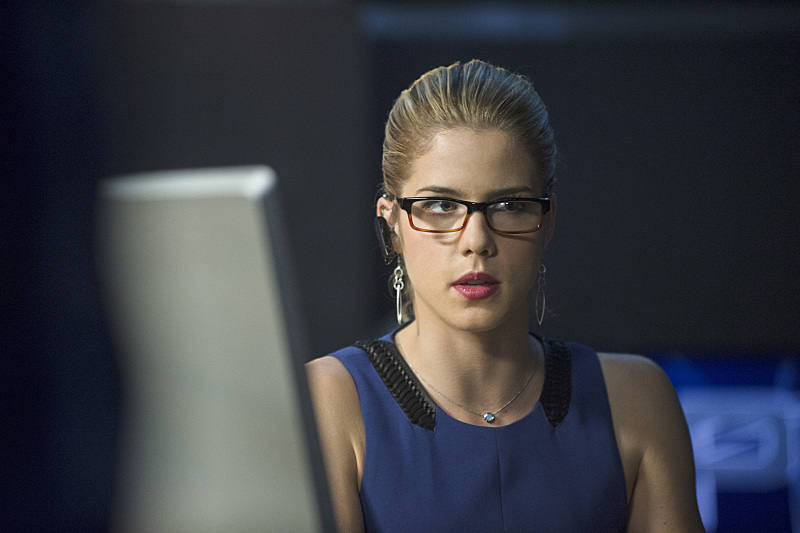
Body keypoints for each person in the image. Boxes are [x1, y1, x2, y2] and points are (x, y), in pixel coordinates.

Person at [306, 59, 703, 532]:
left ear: (547, 221)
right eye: (441, 205)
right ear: (392, 223)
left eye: (509, 205)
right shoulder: (329, 400)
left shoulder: (636, 401)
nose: (476, 240)